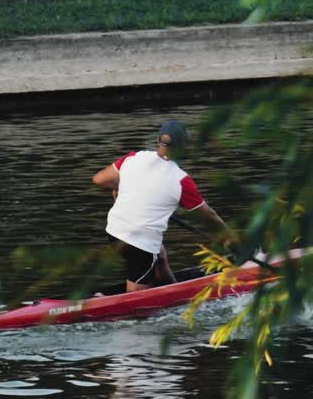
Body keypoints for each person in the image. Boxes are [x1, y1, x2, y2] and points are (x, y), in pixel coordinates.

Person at [92, 119, 236, 292]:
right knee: (137, 303)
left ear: (158, 141)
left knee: (159, 255)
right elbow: (209, 216)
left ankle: (177, 292)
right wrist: (232, 238)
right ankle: (101, 302)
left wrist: (121, 188)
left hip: (114, 231)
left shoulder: (133, 158)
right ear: (182, 146)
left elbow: (99, 180)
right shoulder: (181, 180)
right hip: (140, 245)